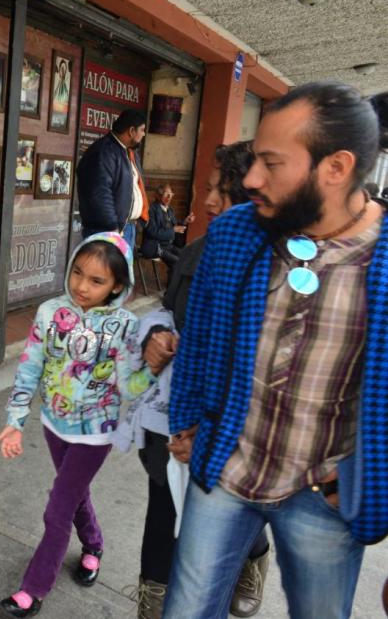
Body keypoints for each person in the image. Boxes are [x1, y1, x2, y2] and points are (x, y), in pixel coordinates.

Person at [164, 81, 388, 618]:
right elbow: (201, 335)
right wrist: (189, 422)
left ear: (335, 168)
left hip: (323, 497)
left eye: (271, 163)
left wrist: (371, 476)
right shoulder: (237, 231)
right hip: (225, 471)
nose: (251, 179)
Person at [115, 142, 270, 619]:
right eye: (206, 189)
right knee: (162, 500)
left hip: (233, 429)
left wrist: (213, 425)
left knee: (227, 515)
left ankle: (254, 555)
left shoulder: (282, 266)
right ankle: (153, 598)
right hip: (171, 413)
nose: (205, 202)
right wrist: (156, 336)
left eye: (216, 190)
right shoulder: (197, 251)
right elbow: (166, 310)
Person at [0, 232, 160, 618]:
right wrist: (15, 420)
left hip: (96, 433)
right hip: (54, 425)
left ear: (118, 284)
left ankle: (33, 589)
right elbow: (31, 367)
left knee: (58, 508)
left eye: (96, 280)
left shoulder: (126, 326)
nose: (82, 286)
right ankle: (94, 544)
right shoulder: (50, 311)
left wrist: (151, 369)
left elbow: (129, 384)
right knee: (75, 493)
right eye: (78, 273)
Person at [77, 109, 150, 246]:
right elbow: (100, 194)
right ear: (131, 131)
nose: (144, 134)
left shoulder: (126, 152)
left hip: (125, 229)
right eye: (142, 130)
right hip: (107, 231)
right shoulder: (104, 152)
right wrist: (112, 228)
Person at [138, 184, 194, 267]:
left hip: (168, 246)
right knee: (177, 263)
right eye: (166, 194)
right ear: (158, 195)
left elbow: (173, 226)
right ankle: (174, 280)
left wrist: (185, 222)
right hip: (155, 246)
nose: (169, 197)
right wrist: (173, 230)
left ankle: (177, 279)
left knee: (188, 257)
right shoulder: (152, 210)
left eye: (171, 194)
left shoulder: (169, 210)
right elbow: (153, 232)